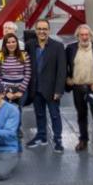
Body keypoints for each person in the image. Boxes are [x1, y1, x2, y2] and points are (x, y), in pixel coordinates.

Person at [25, 18, 66, 153]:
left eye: (44, 29)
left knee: (55, 115)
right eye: (39, 29)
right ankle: (41, 136)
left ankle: (58, 139)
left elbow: (61, 70)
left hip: (52, 89)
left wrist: (59, 89)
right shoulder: (30, 45)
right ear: (36, 31)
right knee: (39, 114)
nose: (42, 31)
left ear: (49, 30)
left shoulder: (57, 46)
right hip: (36, 88)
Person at [65, 24, 93, 155]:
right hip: (78, 88)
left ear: (90, 36)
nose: (84, 37)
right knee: (81, 115)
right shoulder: (70, 48)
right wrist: (67, 78)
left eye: (86, 34)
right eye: (81, 35)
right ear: (77, 36)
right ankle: (83, 139)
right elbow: (64, 65)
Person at [0, 33, 31, 131]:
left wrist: (20, 91)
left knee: (18, 110)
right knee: (4, 111)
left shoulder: (24, 55)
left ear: (17, 43)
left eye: (13, 42)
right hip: (4, 89)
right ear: (4, 44)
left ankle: (17, 130)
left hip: (21, 88)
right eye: (8, 42)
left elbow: (28, 73)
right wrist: (6, 92)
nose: (11, 44)